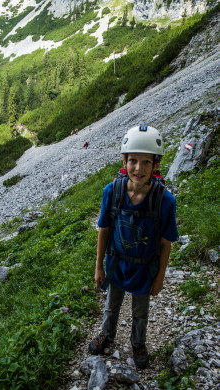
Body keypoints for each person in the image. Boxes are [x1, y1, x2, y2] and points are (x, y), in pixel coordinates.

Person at [88, 125, 178, 369]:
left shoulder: (165, 201)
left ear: (156, 164)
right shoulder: (112, 191)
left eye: (146, 162)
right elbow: (104, 229)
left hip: (144, 267)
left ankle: (138, 343)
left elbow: (165, 242)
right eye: (134, 161)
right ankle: (107, 334)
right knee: (111, 304)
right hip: (117, 262)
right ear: (124, 160)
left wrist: (159, 277)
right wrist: (99, 267)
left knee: (141, 311)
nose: (139, 168)